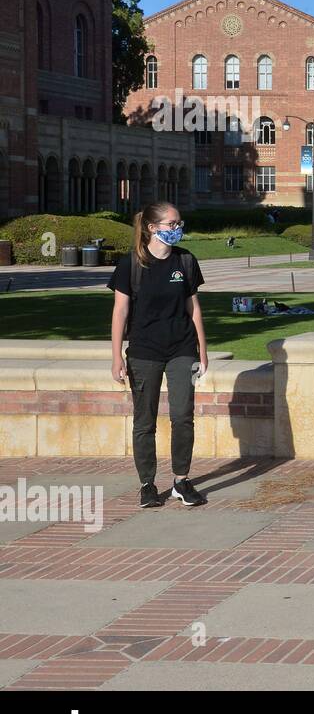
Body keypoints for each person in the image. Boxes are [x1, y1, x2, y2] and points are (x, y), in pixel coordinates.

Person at [108, 202, 209, 508]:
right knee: (145, 421)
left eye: (179, 222)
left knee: (182, 417)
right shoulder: (131, 265)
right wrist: (116, 357)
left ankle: (181, 481)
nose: (178, 228)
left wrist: (203, 350)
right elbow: (120, 312)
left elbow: (193, 308)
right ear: (152, 228)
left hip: (181, 348)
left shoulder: (186, 261)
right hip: (144, 351)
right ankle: (147, 484)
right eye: (171, 223)